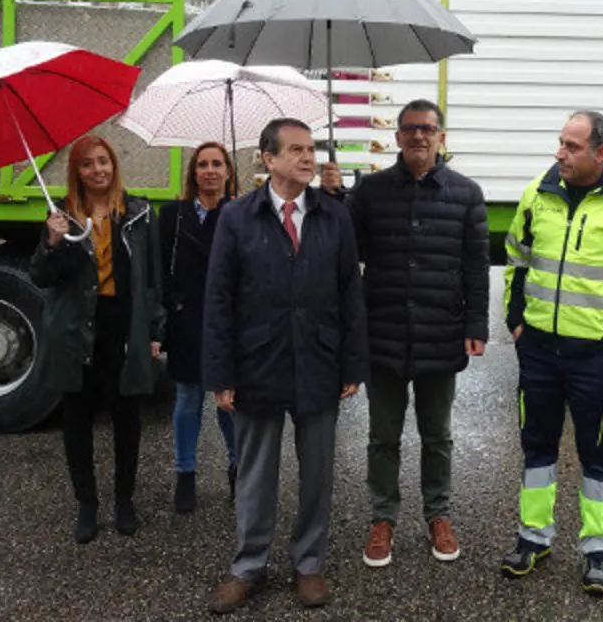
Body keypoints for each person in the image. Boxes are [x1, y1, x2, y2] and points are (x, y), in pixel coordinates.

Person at [500, 111, 603, 595]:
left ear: (601, 153)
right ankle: (534, 538)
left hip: (598, 358)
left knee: (597, 456)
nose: (560, 154)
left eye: (572, 147)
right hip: (538, 351)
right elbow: (515, 257)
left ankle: (598, 550)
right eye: (560, 143)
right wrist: (516, 323)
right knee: (537, 448)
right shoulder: (539, 192)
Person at [204, 118, 368, 612]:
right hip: (258, 361)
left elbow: (349, 293)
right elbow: (219, 299)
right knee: (255, 471)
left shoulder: (333, 216)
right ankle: (248, 565)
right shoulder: (238, 217)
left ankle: (309, 563)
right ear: (268, 159)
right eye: (294, 150)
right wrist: (221, 374)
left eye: (310, 149)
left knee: (317, 471)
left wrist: (351, 364)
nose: (307, 158)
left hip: (318, 360)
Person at [326, 99, 489, 567]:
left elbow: (476, 266)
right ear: (397, 137)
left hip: (442, 332)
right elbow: (344, 249)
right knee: (383, 436)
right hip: (384, 334)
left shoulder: (466, 194)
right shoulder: (371, 193)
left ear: (441, 137)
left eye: (428, 129)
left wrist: (476, 323)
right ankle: (383, 518)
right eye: (410, 129)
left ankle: (438, 514)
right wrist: (336, 199)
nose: (419, 136)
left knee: (437, 435)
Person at [30, 134, 163, 544]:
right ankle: (87, 504)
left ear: (114, 165)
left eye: (103, 161)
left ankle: (124, 500)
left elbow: (153, 278)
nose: (97, 170)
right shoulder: (62, 216)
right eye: (87, 164)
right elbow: (41, 277)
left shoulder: (139, 213)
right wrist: (53, 243)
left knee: (127, 417)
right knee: (77, 418)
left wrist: (156, 330)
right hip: (77, 328)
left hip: (122, 325)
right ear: (77, 173)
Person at [159, 142, 239, 514]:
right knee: (188, 401)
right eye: (203, 164)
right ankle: (185, 475)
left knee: (230, 403)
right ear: (193, 172)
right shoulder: (172, 215)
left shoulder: (241, 213)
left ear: (228, 171)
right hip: (186, 319)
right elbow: (160, 270)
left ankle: (239, 471)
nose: (209, 170)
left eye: (217, 164)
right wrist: (163, 317)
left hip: (229, 324)